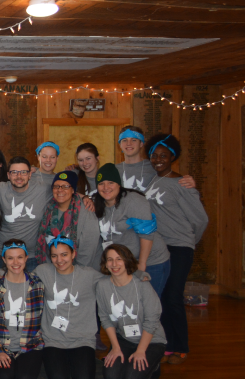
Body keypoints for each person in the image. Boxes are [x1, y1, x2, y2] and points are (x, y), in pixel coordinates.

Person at [144, 133, 208, 365]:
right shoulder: (153, 180)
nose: (158, 159)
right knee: (161, 295)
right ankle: (166, 344)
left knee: (173, 296)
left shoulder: (182, 183)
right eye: (154, 156)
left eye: (163, 155)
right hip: (159, 248)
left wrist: (190, 241)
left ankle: (180, 345)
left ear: (173, 156)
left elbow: (201, 220)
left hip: (179, 247)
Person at [93, 163, 171, 296]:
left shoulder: (133, 201)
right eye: (101, 184)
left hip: (151, 261)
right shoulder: (98, 203)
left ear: (119, 183)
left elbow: (146, 234)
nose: (106, 187)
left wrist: (142, 264)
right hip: (123, 264)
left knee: (148, 305)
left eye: (111, 182)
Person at [34, 236, 103, 379]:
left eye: (64, 254)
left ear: (73, 254)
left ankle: (76, 359)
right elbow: (21, 278)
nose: (59, 260)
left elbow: (115, 279)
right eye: (54, 256)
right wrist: (0, 272)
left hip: (82, 338)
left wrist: (139, 275)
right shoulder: (43, 271)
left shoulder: (89, 275)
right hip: (53, 338)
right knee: (58, 378)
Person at [97, 245, 167, 379]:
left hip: (151, 340)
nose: (114, 264)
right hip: (124, 339)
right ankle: (130, 357)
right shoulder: (102, 286)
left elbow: (152, 320)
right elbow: (105, 318)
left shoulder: (142, 285)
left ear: (127, 261)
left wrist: (141, 350)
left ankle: (155, 365)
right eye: (110, 260)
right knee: (111, 377)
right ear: (105, 263)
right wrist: (115, 347)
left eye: (119, 259)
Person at [0, 240, 45, 379]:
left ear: (26, 258)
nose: (15, 262)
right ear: (3, 259)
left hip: (29, 344)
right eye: (10, 258)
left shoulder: (37, 285)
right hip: (1, 343)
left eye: (20, 257)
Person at [36, 171, 102, 270]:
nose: (60, 190)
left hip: (82, 269)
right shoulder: (48, 208)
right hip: (53, 268)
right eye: (56, 186)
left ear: (73, 190)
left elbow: (88, 248)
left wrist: (75, 273)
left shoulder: (86, 210)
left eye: (65, 186)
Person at [0, 156, 51, 271]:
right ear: (8, 175)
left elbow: (65, 190)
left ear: (30, 174)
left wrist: (85, 197)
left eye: (23, 172)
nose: (19, 176)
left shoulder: (43, 190)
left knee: (30, 289)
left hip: (31, 257)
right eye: (14, 172)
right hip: (4, 256)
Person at [115, 125, 197, 193]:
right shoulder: (113, 170)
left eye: (134, 140)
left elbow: (171, 179)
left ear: (141, 144)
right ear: (120, 145)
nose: (129, 144)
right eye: (124, 140)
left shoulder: (155, 166)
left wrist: (188, 182)